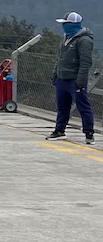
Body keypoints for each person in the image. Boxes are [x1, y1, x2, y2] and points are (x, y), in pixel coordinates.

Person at [46, 12, 95, 144]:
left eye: (66, 23)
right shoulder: (65, 38)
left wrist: (80, 80)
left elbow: (85, 63)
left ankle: (89, 133)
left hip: (75, 80)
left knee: (83, 106)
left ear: (73, 24)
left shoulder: (84, 40)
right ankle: (59, 130)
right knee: (62, 107)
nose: (64, 26)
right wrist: (55, 74)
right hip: (62, 79)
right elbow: (59, 58)